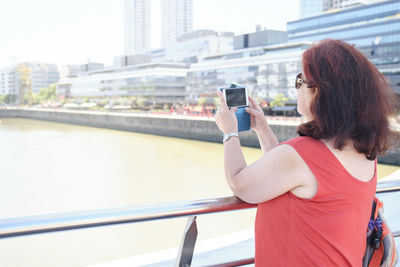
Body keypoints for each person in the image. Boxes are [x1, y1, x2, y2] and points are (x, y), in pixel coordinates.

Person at [214, 39, 399, 266]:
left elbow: (240, 185)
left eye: (300, 80)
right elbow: (288, 176)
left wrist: (229, 131)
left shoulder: (303, 154)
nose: (297, 87)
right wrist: (262, 129)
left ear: (319, 91)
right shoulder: (366, 154)